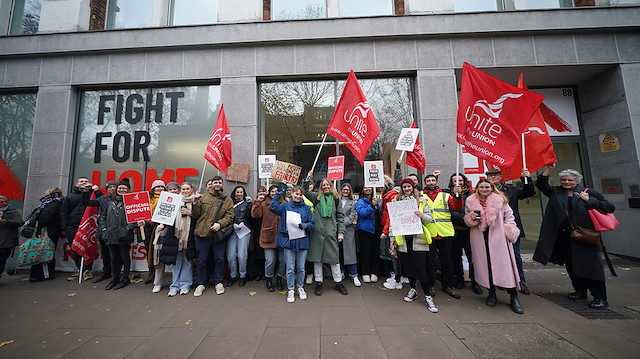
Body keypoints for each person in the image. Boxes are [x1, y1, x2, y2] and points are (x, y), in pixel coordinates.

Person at [533, 164, 615, 309]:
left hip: (585, 237)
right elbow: (541, 184)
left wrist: (589, 200)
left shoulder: (588, 192)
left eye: (570, 180)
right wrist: (549, 170)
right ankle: (580, 291)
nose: (566, 182)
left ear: (577, 181)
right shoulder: (555, 192)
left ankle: (600, 297)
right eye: (564, 180)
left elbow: (609, 207)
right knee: (571, 265)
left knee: (591, 267)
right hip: (565, 237)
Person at [464, 179, 523, 314]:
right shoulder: (471, 201)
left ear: (492, 188)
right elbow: (467, 218)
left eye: (487, 187)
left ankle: (513, 296)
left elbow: (510, 216)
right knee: (486, 266)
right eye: (482, 187)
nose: (484, 190)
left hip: (499, 237)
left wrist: (508, 230)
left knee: (505, 266)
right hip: (480, 236)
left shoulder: (500, 200)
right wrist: (471, 218)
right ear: (477, 188)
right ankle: (491, 293)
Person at [391, 178, 438, 313]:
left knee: (421, 269)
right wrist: (392, 240)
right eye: (404, 187)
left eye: (409, 186)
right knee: (408, 268)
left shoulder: (422, 200)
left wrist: (421, 215)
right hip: (404, 242)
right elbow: (393, 224)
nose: (406, 189)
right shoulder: (396, 202)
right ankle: (413, 290)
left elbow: (430, 219)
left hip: (419, 240)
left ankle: (428, 296)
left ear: (413, 187)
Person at [486, 168, 535, 295]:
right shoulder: (484, 191)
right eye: (490, 175)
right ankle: (500, 280)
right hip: (492, 229)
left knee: (515, 255)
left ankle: (520, 282)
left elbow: (528, 192)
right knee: (495, 256)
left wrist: (527, 179)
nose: (492, 178)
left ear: (500, 176)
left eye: (495, 175)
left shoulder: (511, 190)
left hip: (509, 228)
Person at [304, 171, 347, 296]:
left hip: (331, 233)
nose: (326, 187)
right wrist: (308, 178)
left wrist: (340, 233)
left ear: (331, 186)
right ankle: (318, 283)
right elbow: (305, 191)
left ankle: (338, 283)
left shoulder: (336, 200)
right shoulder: (316, 198)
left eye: (328, 185)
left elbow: (340, 217)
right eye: (323, 185)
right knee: (317, 260)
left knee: (334, 260)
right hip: (317, 233)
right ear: (321, 187)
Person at [269, 185, 315, 303]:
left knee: (301, 267)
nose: (298, 196)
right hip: (288, 240)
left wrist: (306, 226)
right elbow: (273, 208)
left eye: (300, 194)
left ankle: (300, 287)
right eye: (296, 194)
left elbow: (312, 223)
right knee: (290, 267)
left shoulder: (306, 208)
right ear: (292, 194)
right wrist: (277, 196)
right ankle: (290, 289)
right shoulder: (285, 206)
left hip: (302, 240)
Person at [191, 176, 234, 297]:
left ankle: (218, 282)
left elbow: (230, 216)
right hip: (202, 234)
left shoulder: (228, 200)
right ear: (212, 184)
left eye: (219, 182)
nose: (217, 184)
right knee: (201, 261)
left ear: (222, 184)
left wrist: (220, 224)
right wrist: (195, 203)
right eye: (215, 182)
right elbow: (195, 215)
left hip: (217, 235)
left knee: (219, 259)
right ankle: (201, 283)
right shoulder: (203, 197)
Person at [422, 173, 463, 299]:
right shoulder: (421, 196)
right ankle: (430, 285)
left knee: (447, 262)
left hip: (445, 233)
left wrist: (457, 195)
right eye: (428, 180)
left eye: (433, 180)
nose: (431, 182)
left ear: (436, 182)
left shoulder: (446, 195)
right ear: (425, 183)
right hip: (429, 234)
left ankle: (448, 286)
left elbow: (457, 207)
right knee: (430, 262)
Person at [446, 173, 483, 295]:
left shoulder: (473, 195)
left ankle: (475, 281)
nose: (458, 182)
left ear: (464, 181)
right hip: (455, 230)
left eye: (460, 180)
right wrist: (463, 218)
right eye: (455, 180)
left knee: (472, 257)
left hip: (469, 230)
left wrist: (470, 219)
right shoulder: (448, 195)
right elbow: (449, 212)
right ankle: (459, 279)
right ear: (451, 183)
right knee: (455, 257)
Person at [158, 182, 196, 296]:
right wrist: (161, 224)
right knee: (176, 261)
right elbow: (165, 215)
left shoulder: (196, 201)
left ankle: (185, 285)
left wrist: (190, 213)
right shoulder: (175, 200)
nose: (185, 191)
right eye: (183, 189)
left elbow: (200, 216)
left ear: (191, 189)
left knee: (187, 261)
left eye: (187, 189)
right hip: (175, 235)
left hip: (189, 235)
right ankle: (174, 286)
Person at [101, 179, 139, 290]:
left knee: (124, 257)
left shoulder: (132, 202)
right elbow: (103, 217)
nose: (122, 190)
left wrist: (128, 228)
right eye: (120, 188)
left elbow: (136, 218)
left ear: (128, 190)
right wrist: (104, 229)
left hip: (124, 235)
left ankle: (125, 278)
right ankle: (115, 278)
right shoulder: (110, 203)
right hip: (111, 235)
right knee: (114, 258)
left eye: (124, 188)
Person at [61, 177, 99, 281]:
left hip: (89, 227)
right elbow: (64, 212)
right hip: (72, 227)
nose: (84, 183)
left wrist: (96, 191)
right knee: (75, 248)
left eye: (86, 181)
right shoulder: (70, 197)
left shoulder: (94, 195)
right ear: (76, 184)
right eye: (81, 181)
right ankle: (79, 268)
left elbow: (102, 202)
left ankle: (88, 270)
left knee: (89, 247)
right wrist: (65, 227)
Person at [24, 188, 63, 282]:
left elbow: (45, 217)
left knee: (44, 252)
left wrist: (34, 223)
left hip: (46, 231)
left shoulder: (51, 203)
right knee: (46, 251)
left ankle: (44, 274)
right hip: (51, 230)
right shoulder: (56, 203)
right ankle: (44, 274)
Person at [82, 180, 118, 283]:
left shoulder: (122, 199)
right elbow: (87, 202)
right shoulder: (102, 199)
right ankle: (106, 272)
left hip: (116, 231)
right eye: (110, 187)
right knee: (105, 253)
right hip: (103, 230)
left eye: (114, 187)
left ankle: (116, 273)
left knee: (116, 254)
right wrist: (85, 191)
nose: (112, 188)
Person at [251, 185, 285, 292]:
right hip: (268, 236)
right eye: (272, 191)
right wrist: (257, 202)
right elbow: (255, 215)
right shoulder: (264, 204)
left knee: (283, 260)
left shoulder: (284, 204)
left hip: (282, 237)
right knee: (270, 260)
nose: (274, 193)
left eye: (276, 191)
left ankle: (279, 278)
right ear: (269, 193)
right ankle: (269, 278)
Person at [152, 182, 182, 293]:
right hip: (162, 231)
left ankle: (175, 283)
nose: (173, 191)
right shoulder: (162, 200)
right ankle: (157, 283)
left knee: (175, 258)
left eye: (175, 189)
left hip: (176, 232)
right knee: (159, 258)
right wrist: (159, 224)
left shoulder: (182, 200)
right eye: (171, 189)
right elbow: (156, 215)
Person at [226, 185, 253, 287]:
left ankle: (242, 276)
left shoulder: (247, 203)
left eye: (241, 192)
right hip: (232, 231)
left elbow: (251, 216)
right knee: (231, 256)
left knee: (242, 256)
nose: (239, 194)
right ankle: (233, 276)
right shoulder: (229, 203)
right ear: (234, 193)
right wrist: (232, 225)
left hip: (244, 230)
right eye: (237, 192)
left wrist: (250, 204)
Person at [381, 175, 402, 289]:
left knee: (393, 253)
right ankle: (396, 276)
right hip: (389, 228)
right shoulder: (387, 195)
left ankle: (398, 280)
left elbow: (390, 216)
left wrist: (385, 231)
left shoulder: (391, 195)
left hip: (391, 229)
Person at [356, 186, 380, 285]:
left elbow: (379, 213)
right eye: (365, 187)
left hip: (376, 230)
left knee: (375, 251)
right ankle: (365, 272)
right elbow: (362, 213)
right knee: (365, 251)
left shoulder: (376, 200)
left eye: (369, 187)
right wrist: (372, 206)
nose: (368, 189)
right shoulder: (360, 202)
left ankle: (374, 272)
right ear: (362, 190)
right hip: (365, 230)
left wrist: (377, 205)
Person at [144, 180, 166, 285]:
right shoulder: (147, 198)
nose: (160, 188)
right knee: (150, 252)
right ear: (153, 188)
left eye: (162, 187)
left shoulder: (167, 198)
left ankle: (160, 274)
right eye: (158, 187)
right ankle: (151, 273)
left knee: (160, 252)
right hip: (148, 228)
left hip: (161, 227)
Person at [339, 183, 360, 287]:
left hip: (348, 231)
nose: (346, 191)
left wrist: (339, 222)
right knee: (339, 252)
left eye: (347, 190)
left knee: (350, 253)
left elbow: (351, 217)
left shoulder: (353, 203)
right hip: (336, 231)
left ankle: (354, 274)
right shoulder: (336, 201)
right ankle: (341, 272)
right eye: (344, 189)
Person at [0, 195, 24, 281]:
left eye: (5, 201)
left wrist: (7, 221)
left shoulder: (12, 211)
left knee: (2, 260)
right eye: (2, 202)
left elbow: (20, 222)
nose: (4, 203)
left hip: (7, 241)